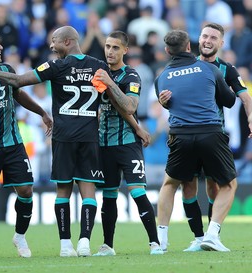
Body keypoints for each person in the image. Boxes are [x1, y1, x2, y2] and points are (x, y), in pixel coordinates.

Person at [0, 26, 110, 257]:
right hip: (88, 135)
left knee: (62, 190)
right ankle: (84, 241)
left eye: (54, 41)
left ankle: (65, 245)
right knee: (88, 190)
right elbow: (107, 98)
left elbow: (18, 81)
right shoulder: (99, 66)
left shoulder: (55, 66)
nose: (50, 46)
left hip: (64, 136)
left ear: (66, 42)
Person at [158, 22, 252, 252]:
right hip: (199, 134)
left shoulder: (226, 68)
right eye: (205, 36)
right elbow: (169, 102)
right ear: (197, 40)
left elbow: (244, 97)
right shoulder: (190, 64)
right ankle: (199, 237)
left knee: (213, 187)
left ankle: (212, 234)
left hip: (214, 133)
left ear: (221, 43)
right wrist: (163, 102)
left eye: (213, 38)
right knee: (187, 187)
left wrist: (250, 117)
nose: (208, 41)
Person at [0, 28, 53, 259]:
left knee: (26, 190)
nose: (0, 47)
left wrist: (41, 112)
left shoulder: (7, 70)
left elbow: (17, 94)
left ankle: (20, 236)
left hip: (14, 143)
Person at [91, 30, 164, 256]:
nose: (110, 51)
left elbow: (130, 106)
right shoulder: (98, 74)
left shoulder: (131, 76)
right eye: (107, 46)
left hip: (127, 144)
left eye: (115, 47)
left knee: (136, 191)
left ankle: (155, 243)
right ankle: (108, 246)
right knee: (109, 195)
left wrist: (110, 84)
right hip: (103, 144)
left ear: (125, 50)